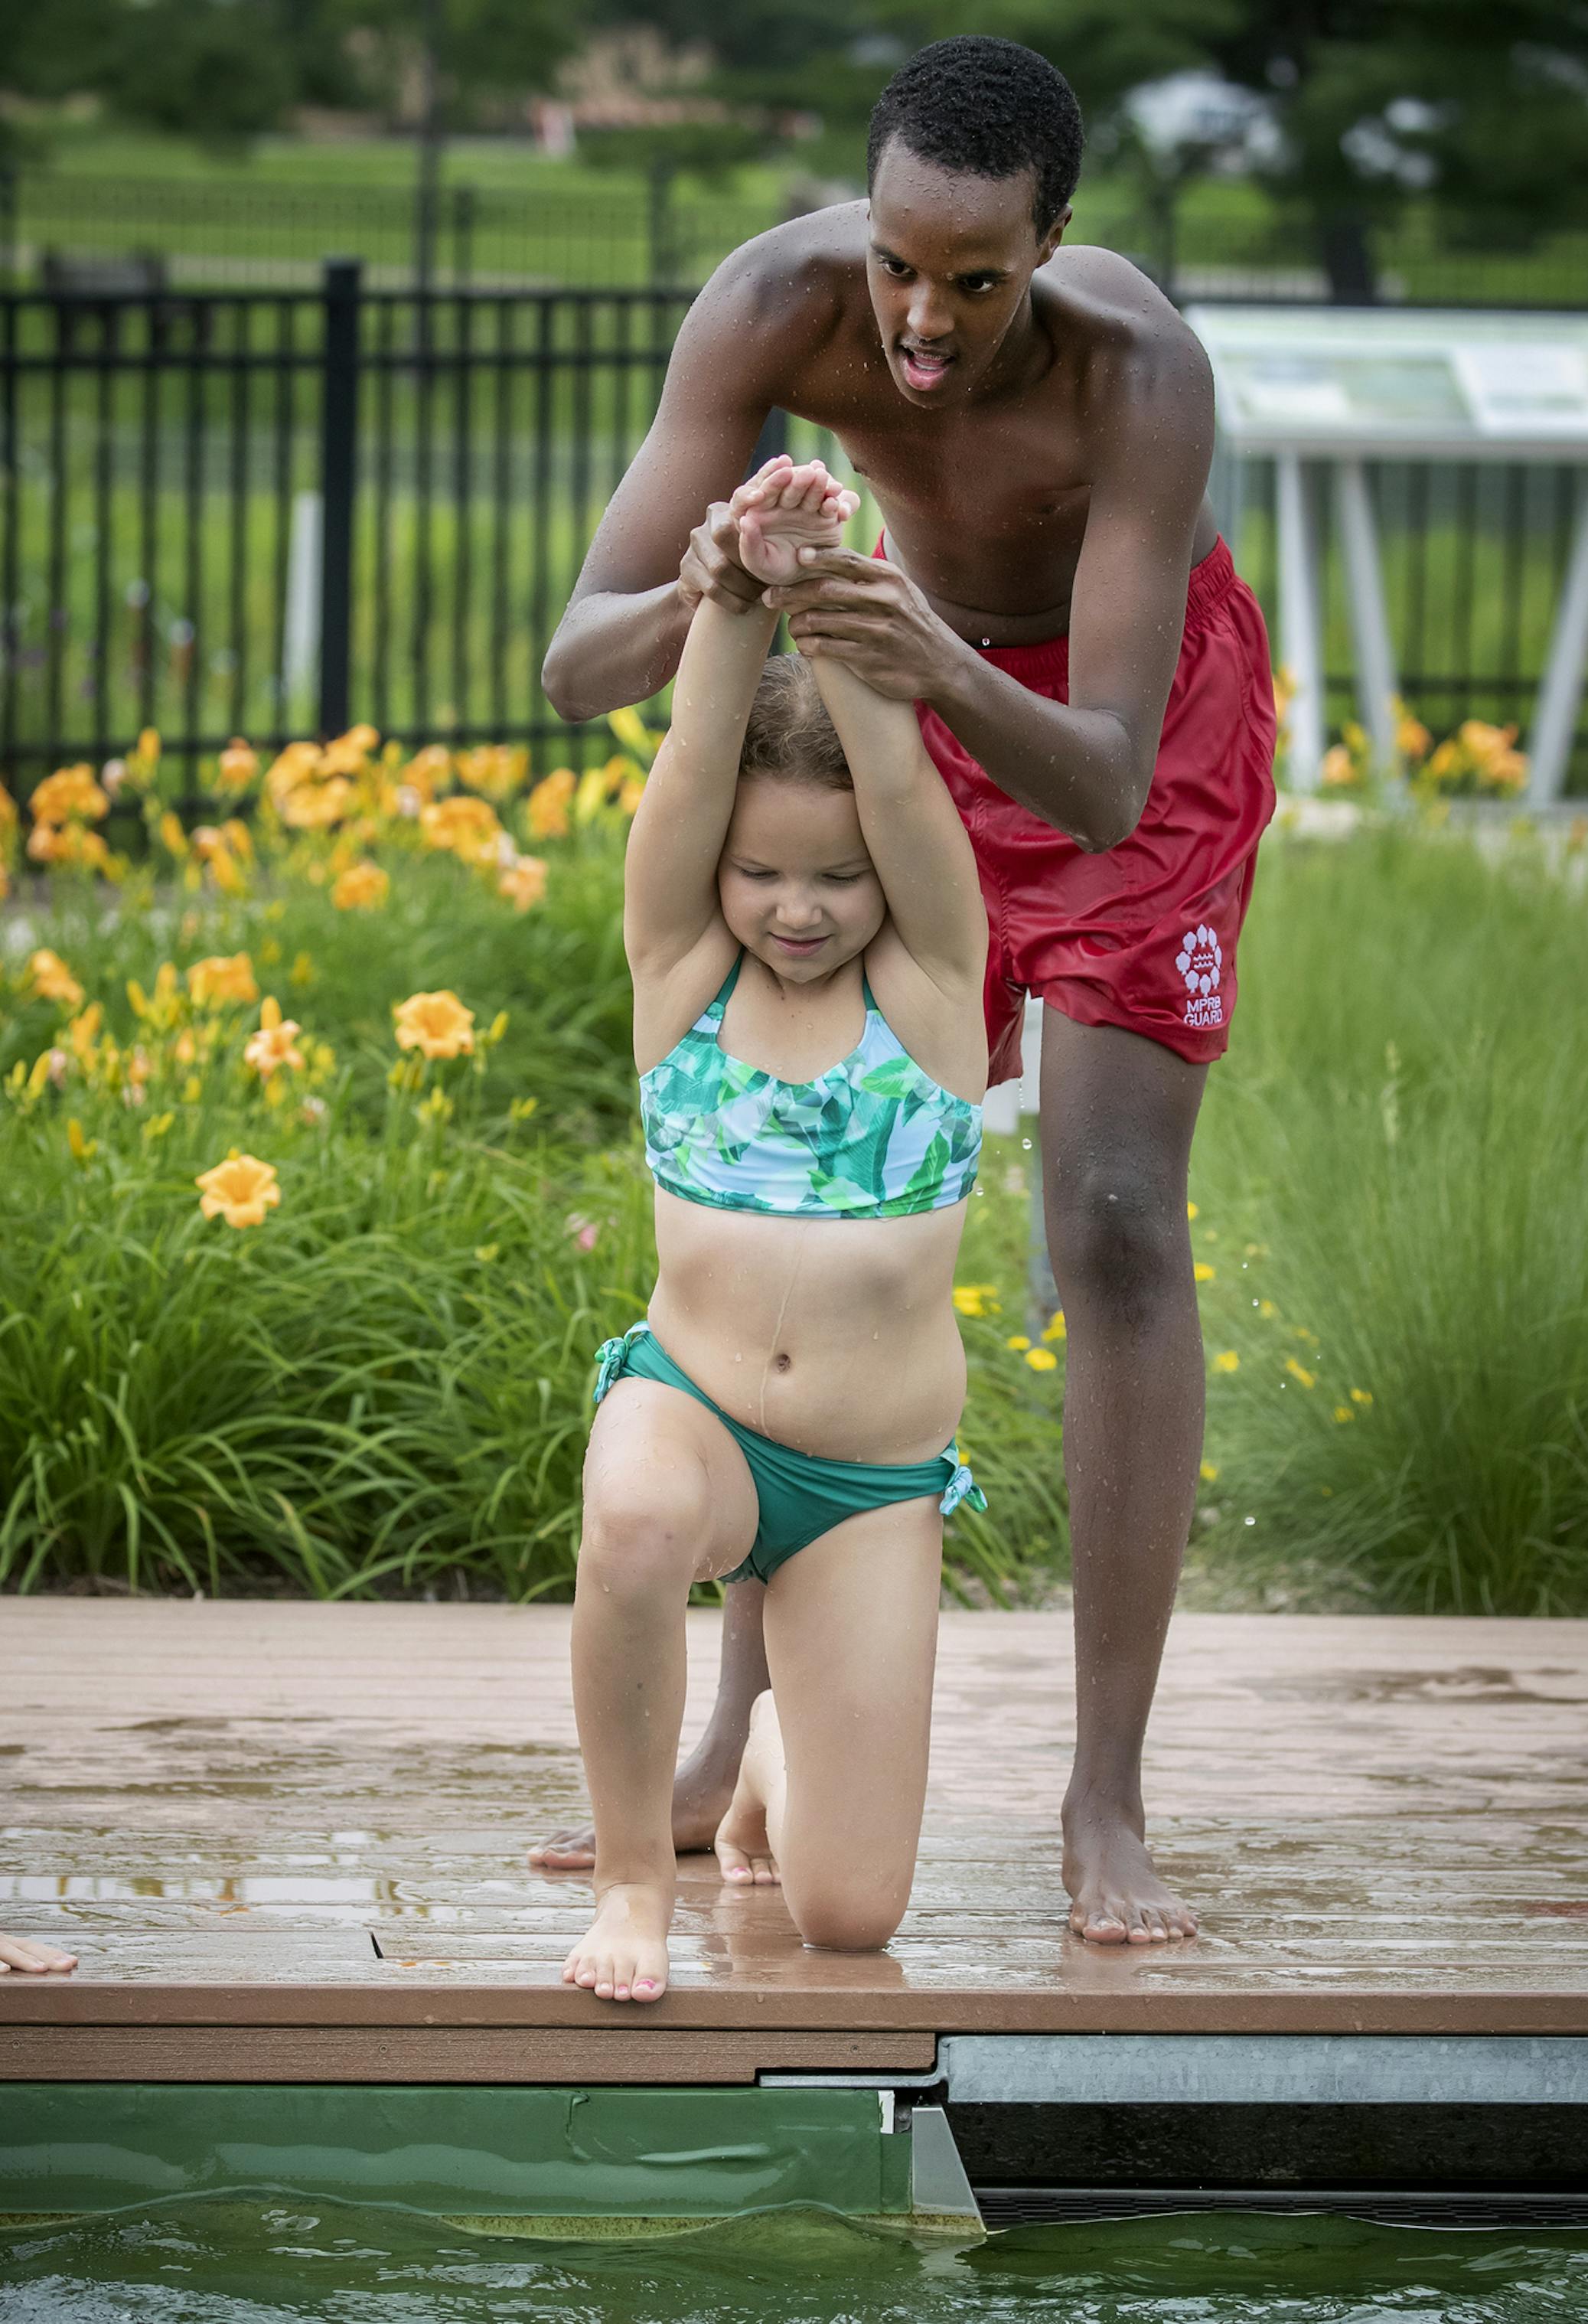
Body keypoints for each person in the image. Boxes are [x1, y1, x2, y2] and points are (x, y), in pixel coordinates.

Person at [536, 35, 1277, 1947]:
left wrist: (928, 653)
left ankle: (1102, 1794)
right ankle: (728, 1739)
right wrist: (713, 576)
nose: (922, 322)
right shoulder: (778, 306)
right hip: (903, 704)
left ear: (1055, 243)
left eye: (976, 278)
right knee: (813, 1176)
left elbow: (1105, 774)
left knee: (1111, 1215)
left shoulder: (1140, 372)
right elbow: (576, 663)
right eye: (898, 264)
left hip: (1115, 722)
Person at [560, 455, 990, 2005]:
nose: (796, 907)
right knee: (635, 1522)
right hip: (699, 1415)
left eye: (836, 878)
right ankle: (630, 1881)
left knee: (849, 1915)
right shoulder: (685, 974)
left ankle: (764, 1781)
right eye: (760, 872)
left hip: (869, 1482)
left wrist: (829, 581)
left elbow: (903, 789)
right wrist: (737, 589)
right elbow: (687, 764)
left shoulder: (933, 1000)